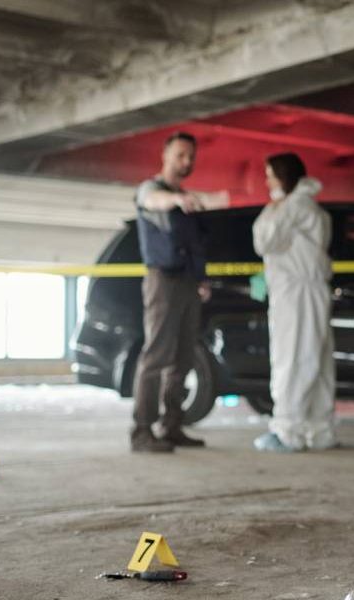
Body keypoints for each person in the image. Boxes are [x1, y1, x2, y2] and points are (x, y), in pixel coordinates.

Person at [131, 131, 227, 453]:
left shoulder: (186, 197)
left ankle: (172, 425)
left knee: (184, 357)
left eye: (191, 157)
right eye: (181, 155)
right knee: (156, 355)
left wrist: (201, 280)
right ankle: (142, 430)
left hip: (188, 282)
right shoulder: (152, 190)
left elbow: (192, 244)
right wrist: (175, 200)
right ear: (165, 154)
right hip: (162, 281)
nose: (186, 162)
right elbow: (150, 200)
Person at [251, 153, 337, 452]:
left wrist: (271, 208)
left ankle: (288, 431)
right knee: (317, 360)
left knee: (293, 358)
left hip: (295, 293)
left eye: (270, 175)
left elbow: (263, 240)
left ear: (283, 177)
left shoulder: (292, 206)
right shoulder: (309, 205)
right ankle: (319, 430)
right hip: (310, 290)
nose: (267, 181)